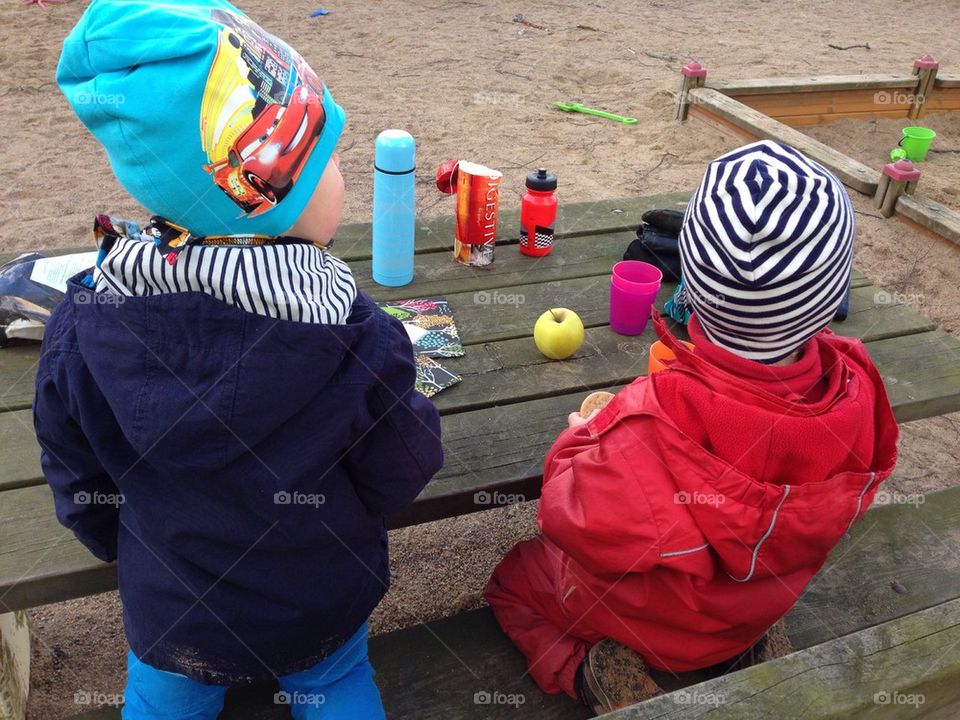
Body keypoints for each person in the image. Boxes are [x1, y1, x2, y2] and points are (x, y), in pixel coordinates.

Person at [36, 1, 443, 717]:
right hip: (317, 600)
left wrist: (122, 548)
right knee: (340, 686)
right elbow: (398, 472)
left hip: (173, 608)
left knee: (163, 703)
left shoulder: (84, 321)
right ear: (268, 192)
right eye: (331, 161)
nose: (342, 179)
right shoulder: (354, 332)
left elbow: (76, 468)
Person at [484, 140, 899, 714]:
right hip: (759, 601)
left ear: (690, 288)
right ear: (830, 298)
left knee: (515, 578)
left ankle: (585, 672)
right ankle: (744, 644)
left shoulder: (649, 422)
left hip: (654, 624)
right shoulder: (858, 387)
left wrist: (582, 435)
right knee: (735, 595)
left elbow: (567, 516)